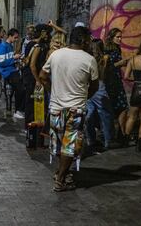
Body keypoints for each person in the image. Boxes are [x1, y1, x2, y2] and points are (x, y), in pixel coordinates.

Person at [39, 26, 98, 191]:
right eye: (88, 40)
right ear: (83, 40)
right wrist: (83, 97)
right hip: (76, 110)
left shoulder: (56, 55)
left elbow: (43, 76)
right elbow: (94, 86)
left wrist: (53, 91)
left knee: (59, 144)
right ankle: (61, 178)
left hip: (56, 109)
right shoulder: (89, 60)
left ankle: (61, 171)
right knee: (70, 146)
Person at [85, 39, 116, 152]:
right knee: (106, 114)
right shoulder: (105, 58)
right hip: (100, 85)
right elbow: (106, 74)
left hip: (88, 85)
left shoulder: (88, 58)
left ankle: (91, 139)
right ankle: (108, 140)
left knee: (89, 113)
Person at [104, 28, 129, 144]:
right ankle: (118, 134)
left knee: (121, 107)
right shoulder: (108, 50)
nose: (120, 39)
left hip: (116, 81)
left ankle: (121, 133)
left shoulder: (116, 49)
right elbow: (106, 67)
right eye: (118, 37)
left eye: (121, 37)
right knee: (119, 107)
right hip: (111, 82)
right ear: (112, 37)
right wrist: (121, 63)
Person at [26, 24, 52, 131]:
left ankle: (35, 130)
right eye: (47, 32)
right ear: (42, 33)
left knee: (37, 106)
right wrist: (38, 80)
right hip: (34, 80)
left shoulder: (40, 44)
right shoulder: (36, 46)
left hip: (35, 79)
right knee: (34, 105)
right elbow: (32, 65)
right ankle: (32, 131)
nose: (49, 35)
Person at [0, 28, 25, 119]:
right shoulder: (3, 46)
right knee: (20, 89)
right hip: (7, 72)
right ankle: (18, 110)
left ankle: (16, 109)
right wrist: (14, 58)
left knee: (18, 89)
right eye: (15, 38)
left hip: (12, 70)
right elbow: (1, 62)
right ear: (10, 36)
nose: (16, 40)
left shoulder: (10, 46)